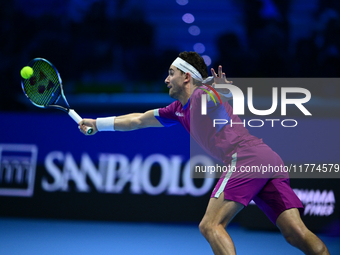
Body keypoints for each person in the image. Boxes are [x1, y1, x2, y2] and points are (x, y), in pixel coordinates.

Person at [79, 51, 329, 255]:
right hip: (267, 159)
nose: (166, 79)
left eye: (171, 73)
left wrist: (216, 89)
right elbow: (137, 120)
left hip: (245, 159)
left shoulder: (202, 95)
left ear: (186, 77)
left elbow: (212, 99)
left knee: (210, 225)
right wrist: (97, 123)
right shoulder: (177, 109)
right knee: (295, 233)